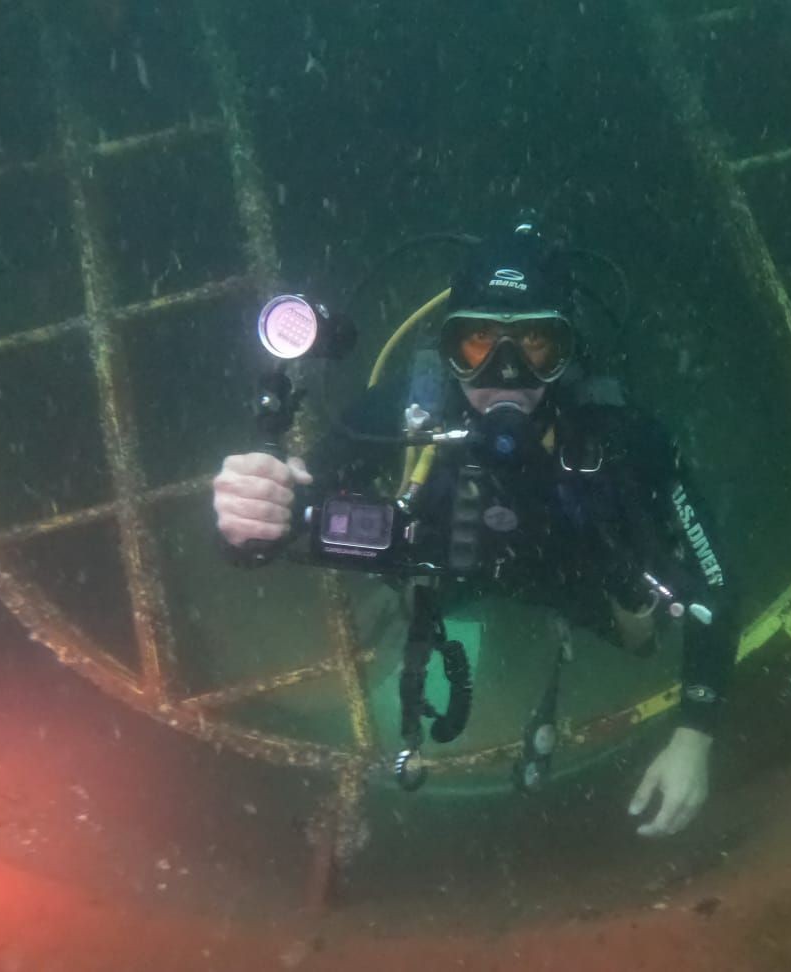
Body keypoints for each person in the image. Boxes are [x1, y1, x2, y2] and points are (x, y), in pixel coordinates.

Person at [213, 218, 737, 837]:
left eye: (537, 346)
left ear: (568, 351)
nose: (505, 373)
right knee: (404, 607)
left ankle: (533, 643)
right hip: (445, 570)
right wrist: (249, 515)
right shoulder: (409, 405)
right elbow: (290, 506)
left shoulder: (619, 432)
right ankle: (423, 625)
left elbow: (716, 582)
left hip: (571, 580)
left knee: (641, 634)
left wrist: (694, 734)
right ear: (448, 346)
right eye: (479, 343)